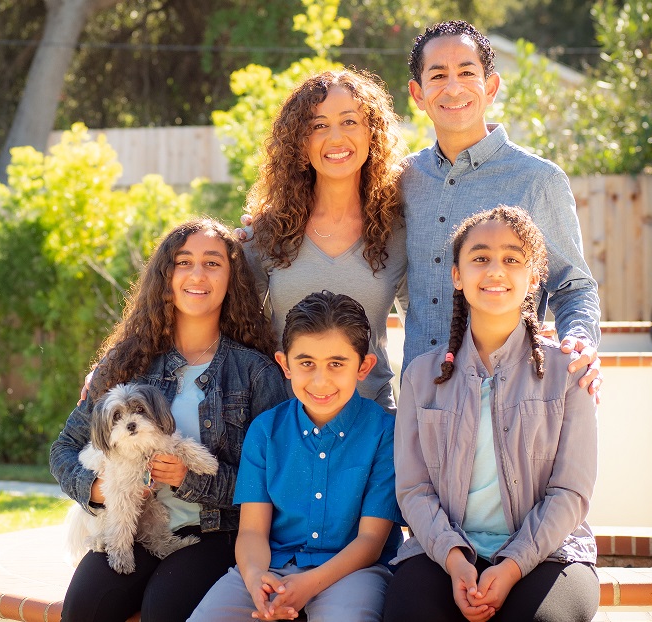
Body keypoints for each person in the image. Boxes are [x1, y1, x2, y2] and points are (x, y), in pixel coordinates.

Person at [50, 217, 289, 622]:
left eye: (213, 263)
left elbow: (269, 482)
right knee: (84, 605)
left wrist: (187, 477)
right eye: (184, 262)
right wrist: (99, 490)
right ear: (166, 275)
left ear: (233, 278)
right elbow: (64, 449)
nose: (197, 274)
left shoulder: (255, 373)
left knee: (164, 609)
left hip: (215, 533)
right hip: (135, 530)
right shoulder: (127, 362)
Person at [383, 206, 599, 622]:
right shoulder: (421, 377)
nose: (495, 270)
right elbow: (413, 490)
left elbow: (571, 493)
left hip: (549, 554)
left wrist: (513, 564)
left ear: (534, 277)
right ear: (457, 276)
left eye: (512, 259)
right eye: (480, 258)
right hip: (444, 552)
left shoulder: (569, 373)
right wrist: (455, 560)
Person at [400, 20, 602, 394]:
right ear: (418, 93)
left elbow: (573, 285)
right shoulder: (404, 179)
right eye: (438, 75)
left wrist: (579, 340)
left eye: (466, 72)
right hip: (419, 401)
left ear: (490, 87)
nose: (453, 86)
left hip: (507, 398)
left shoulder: (538, 179)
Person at [189, 291, 402, 622]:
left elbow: (371, 542)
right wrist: (256, 577)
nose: (320, 380)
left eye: (336, 363)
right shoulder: (266, 431)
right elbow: (252, 533)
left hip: (353, 570)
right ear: (285, 365)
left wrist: (307, 585)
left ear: (364, 366)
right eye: (306, 363)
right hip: (271, 564)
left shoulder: (384, 433)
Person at [242, 69, 408, 413]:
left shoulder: (399, 233)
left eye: (349, 122)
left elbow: (427, 327)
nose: (336, 138)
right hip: (285, 428)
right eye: (319, 125)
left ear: (371, 133)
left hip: (373, 428)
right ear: (300, 142)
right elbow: (232, 329)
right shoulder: (266, 233)